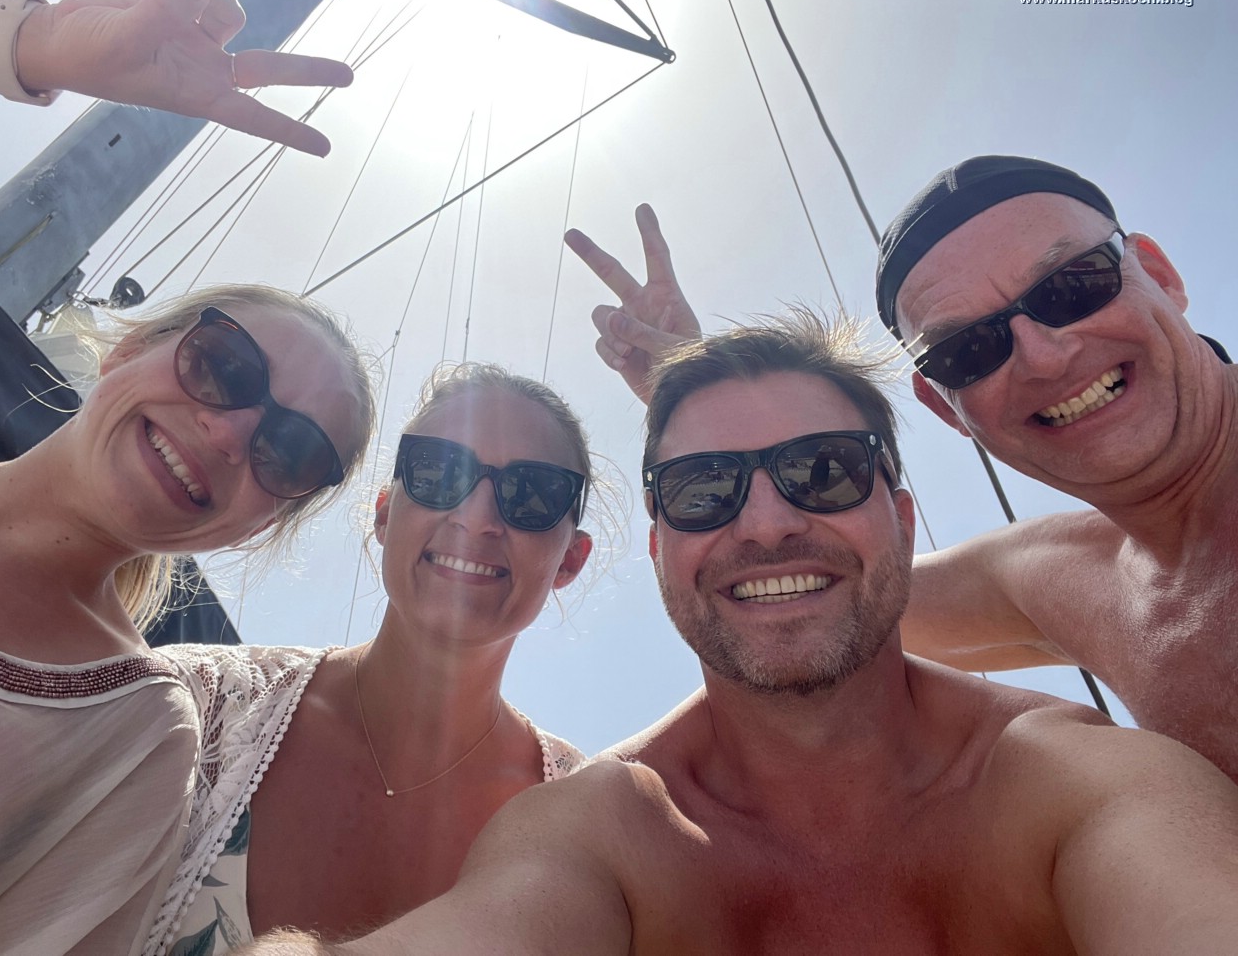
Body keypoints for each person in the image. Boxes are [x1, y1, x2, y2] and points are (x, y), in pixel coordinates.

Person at [236, 316, 1238, 956]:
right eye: (704, 489)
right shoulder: (602, 830)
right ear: (661, 550)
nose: (762, 524)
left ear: (901, 519)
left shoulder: (1079, 783)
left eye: (823, 471)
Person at [0, 0, 372, 954]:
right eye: (223, 365)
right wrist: (32, 41)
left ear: (261, 521)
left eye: (291, 454)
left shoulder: (130, 740)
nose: (231, 431)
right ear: (127, 347)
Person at [568, 178, 1238, 784]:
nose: (1043, 356)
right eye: (968, 349)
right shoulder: (1073, 578)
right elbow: (816, 596)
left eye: (1073, 288)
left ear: (1160, 275)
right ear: (947, 409)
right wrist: (702, 404)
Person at [151, 364, 595, 954]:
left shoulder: (587, 827)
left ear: (570, 560)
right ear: (385, 514)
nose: (476, 518)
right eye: (438, 470)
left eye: (534, 494)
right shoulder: (194, 707)